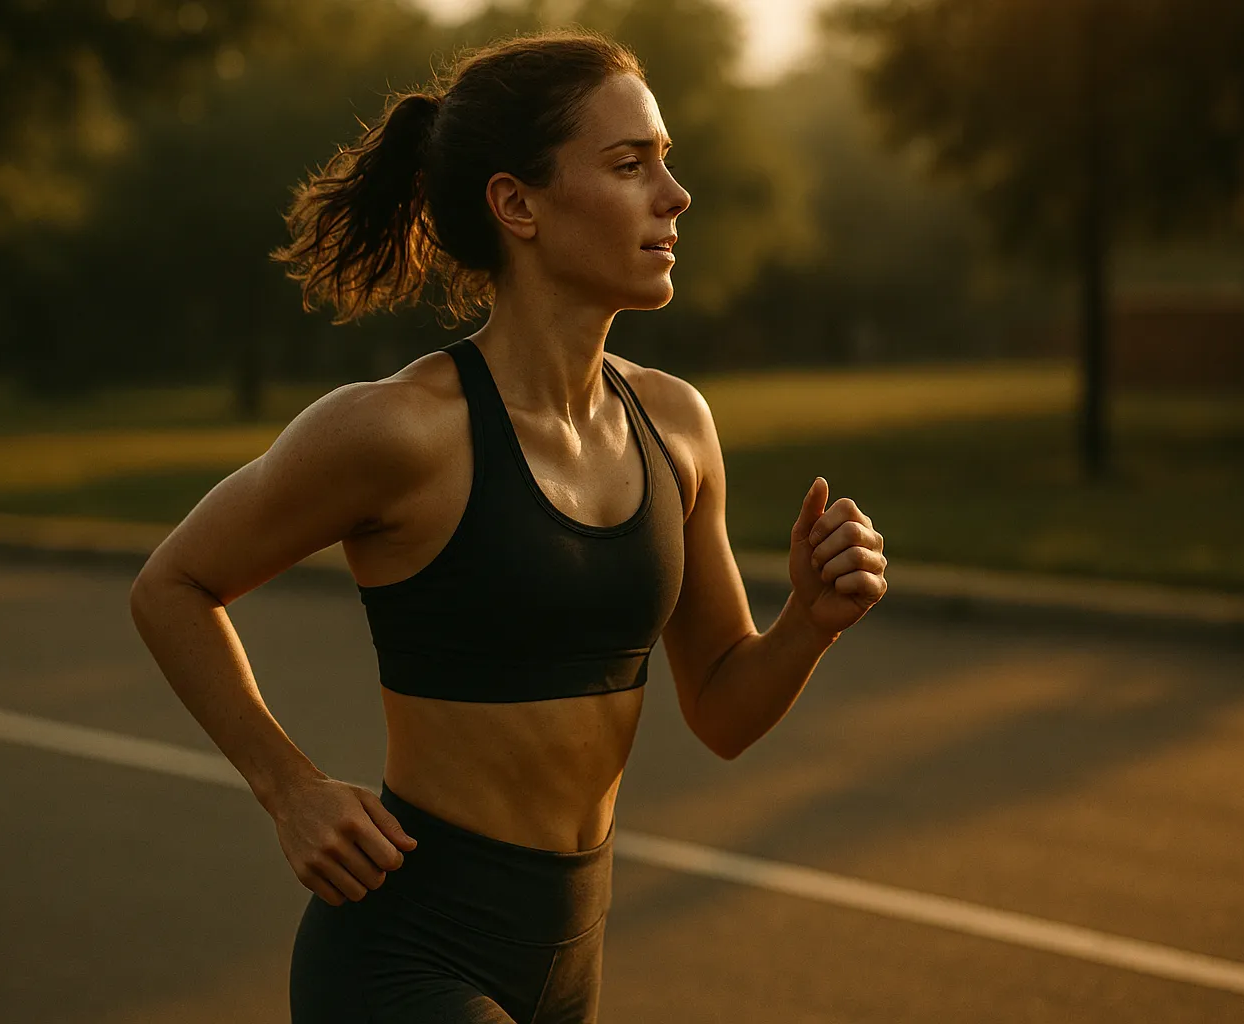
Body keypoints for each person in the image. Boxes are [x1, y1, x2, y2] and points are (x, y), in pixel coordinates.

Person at [128, 27, 888, 1024]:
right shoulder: (398, 431)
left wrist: (810, 621)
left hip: (570, 952)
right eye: (630, 164)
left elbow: (722, 709)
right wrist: (291, 787)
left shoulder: (677, 426)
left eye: (666, 160)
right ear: (516, 203)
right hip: (405, 953)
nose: (676, 194)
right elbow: (172, 585)